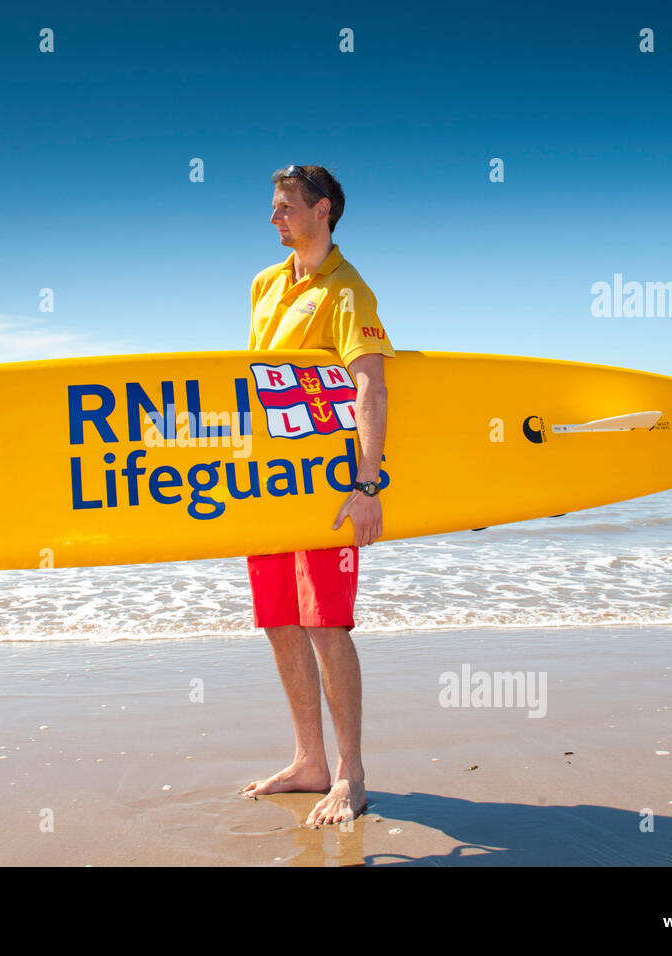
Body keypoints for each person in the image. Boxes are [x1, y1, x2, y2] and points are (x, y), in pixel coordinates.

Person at [239, 164, 395, 827]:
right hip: (268, 489)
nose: (273, 218)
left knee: (326, 624)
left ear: (322, 209)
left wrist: (367, 483)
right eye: (272, 208)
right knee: (278, 620)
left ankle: (349, 775)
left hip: (327, 486)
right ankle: (307, 760)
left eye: (285, 208)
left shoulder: (348, 291)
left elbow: (370, 387)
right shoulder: (264, 284)